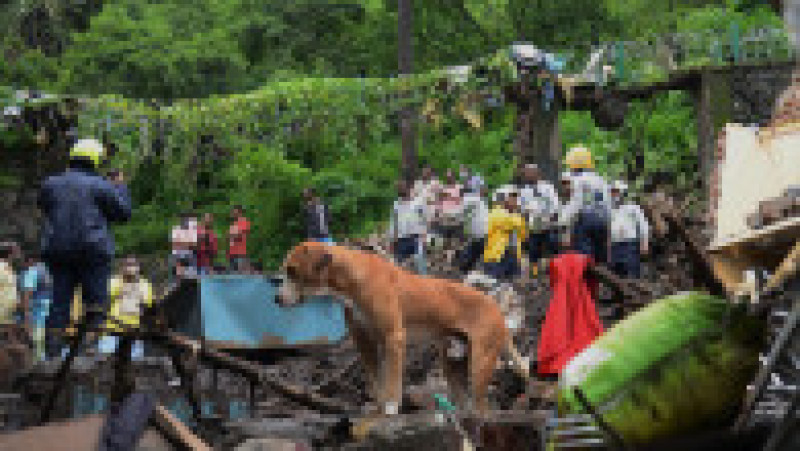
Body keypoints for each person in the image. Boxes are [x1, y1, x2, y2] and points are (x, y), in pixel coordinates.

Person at [38, 138, 132, 358]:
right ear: (96, 160)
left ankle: (52, 354)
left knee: (59, 302)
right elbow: (123, 214)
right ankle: (87, 351)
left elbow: (45, 206)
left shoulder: (50, 183)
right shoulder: (101, 185)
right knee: (96, 303)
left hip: (58, 250)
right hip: (93, 251)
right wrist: (119, 187)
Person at [536, 231, 603, 378]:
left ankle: (559, 362)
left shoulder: (556, 263)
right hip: (580, 296)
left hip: (562, 298)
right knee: (585, 326)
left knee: (559, 328)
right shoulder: (583, 261)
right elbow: (593, 283)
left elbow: (553, 283)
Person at [560, 146, 611, 264]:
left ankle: (586, 274)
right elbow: (608, 203)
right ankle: (600, 273)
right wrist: (609, 223)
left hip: (585, 221)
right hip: (602, 221)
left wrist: (563, 221)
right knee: (599, 255)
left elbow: (576, 203)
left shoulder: (578, 180)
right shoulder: (600, 180)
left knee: (584, 256)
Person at [98, 256, 153, 360]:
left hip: (134, 330)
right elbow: (107, 298)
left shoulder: (145, 284)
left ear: (138, 267)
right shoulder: (113, 281)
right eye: (127, 265)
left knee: (134, 362)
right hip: (112, 328)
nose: (130, 268)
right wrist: (124, 283)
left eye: (133, 265)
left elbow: (147, 304)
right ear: (122, 267)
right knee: (105, 360)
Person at [518, 164, 561, 270]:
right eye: (526, 173)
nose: (528, 175)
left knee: (552, 246)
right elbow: (521, 207)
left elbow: (555, 203)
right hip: (533, 225)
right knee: (533, 248)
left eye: (530, 172)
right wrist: (526, 215)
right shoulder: (523, 190)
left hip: (548, 223)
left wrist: (552, 217)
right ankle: (534, 271)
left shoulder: (548, 187)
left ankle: (554, 269)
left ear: (537, 173)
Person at [482, 191, 527, 282]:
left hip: (513, 256)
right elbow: (507, 223)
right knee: (492, 282)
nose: (514, 201)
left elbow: (523, 236)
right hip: (495, 256)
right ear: (504, 200)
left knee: (511, 284)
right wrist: (518, 222)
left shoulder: (518, 217)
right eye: (511, 198)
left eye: (516, 199)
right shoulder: (495, 212)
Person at [608, 180, 650, 279]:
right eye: (612, 192)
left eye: (616, 191)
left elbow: (643, 225)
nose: (614, 194)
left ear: (623, 193)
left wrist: (644, 243)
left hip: (629, 244)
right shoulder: (610, 210)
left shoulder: (632, 208)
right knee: (616, 274)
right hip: (614, 245)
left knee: (631, 272)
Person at [387, 180, 429, 271]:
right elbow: (393, 223)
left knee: (420, 264)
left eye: (402, 188)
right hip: (401, 239)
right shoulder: (396, 205)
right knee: (398, 266)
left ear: (408, 188)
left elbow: (425, 219)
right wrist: (391, 240)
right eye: (399, 189)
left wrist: (425, 236)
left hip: (416, 238)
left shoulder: (418, 202)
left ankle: (423, 279)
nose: (401, 190)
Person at [20, 252, 52, 362]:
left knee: (35, 335)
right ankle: (43, 358)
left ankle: (35, 359)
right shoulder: (49, 271)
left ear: (31, 260)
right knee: (44, 335)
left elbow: (27, 293)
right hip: (48, 308)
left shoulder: (32, 272)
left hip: (35, 308)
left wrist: (26, 312)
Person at [458, 186, 489, 273]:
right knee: (476, 250)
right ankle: (468, 269)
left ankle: (465, 269)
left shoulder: (467, 199)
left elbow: (460, 214)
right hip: (485, 230)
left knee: (472, 250)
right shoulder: (480, 200)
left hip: (478, 231)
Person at [170, 213, 198, 279]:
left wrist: (183, 242)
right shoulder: (176, 229)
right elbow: (176, 244)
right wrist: (187, 243)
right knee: (179, 275)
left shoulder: (192, 231)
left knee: (191, 274)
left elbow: (193, 244)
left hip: (190, 255)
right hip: (179, 255)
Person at [228, 205, 252, 271]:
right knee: (233, 272)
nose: (233, 214)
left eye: (235, 212)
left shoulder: (244, 222)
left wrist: (232, 235)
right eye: (233, 212)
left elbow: (240, 234)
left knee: (241, 271)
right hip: (232, 252)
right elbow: (230, 237)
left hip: (241, 252)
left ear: (240, 212)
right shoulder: (233, 224)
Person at [0, 243, 18, 328]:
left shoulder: (8, 267)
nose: (17, 255)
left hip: (8, 311)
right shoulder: (1, 267)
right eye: (15, 252)